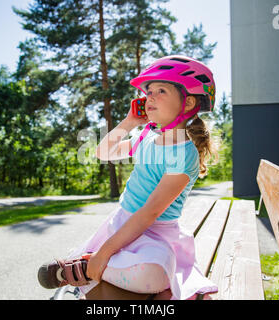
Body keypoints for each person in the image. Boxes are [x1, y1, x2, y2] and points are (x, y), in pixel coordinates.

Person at [38, 55, 219, 300]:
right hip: (123, 224)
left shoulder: (183, 153)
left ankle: (86, 267)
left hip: (157, 234)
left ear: (187, 104)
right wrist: (130, 121)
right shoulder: (146, 137)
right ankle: (94, 265)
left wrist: (104, 254)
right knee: (149, 276)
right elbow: (103, 152)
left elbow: (149, 213)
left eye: (161, 90)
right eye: (149, 91)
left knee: (155, 275)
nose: (149, 97)